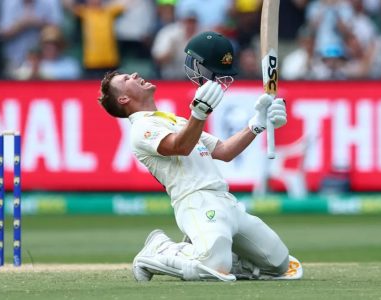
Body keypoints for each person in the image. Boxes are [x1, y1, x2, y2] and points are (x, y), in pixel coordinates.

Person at [98, 31, 303, 281]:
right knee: (213, 265)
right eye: (127, 78)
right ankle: (159, 249)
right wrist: (200, 113)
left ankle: (232, 260)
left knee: (280, 264)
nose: (136, 75)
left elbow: (225, 152)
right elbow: (179, 147)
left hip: (226, 200)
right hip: (195, 202)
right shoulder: (141, 128)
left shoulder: (176, 120)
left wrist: (257, 123)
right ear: (123, 98)